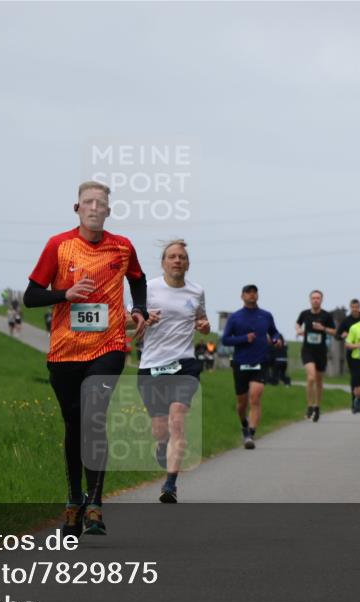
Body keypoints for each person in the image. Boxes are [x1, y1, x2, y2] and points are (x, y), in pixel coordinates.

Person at [23, 181, 147, 536]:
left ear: (108, 210)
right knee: (74, 424)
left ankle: (94, 504)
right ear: (76, 209)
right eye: (87, 202)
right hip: (65, 350)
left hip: (108, 347)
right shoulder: (58, 245)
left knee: (93, 417)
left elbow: (137, 280)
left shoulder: (123, 247)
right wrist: (66, 294)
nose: (94, 207)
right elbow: (31, 297)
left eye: (100, 203)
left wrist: (138, 309)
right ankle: (74, 498)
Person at [138, 240, 209, 503]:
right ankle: (161, 445)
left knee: (177, 420)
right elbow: (126, 321)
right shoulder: (148, 289)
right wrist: (144, 319)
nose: (177, 260)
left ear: (188, 264)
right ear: (163, 262)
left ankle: (170, 484)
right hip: (152, 365)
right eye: (172, 256)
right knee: (160, 430)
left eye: (182, 257)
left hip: (184, 364)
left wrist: (204, 326)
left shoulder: (197, 291)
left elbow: (201, 319)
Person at [221, 285, 282, 449]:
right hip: (240, 362)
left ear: (258, 296)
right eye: (248, 292)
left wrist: (276, 340)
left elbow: (274, 332)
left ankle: (250, 434)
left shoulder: (266, 315)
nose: (252, 295)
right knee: (242, 404)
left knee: (255, 397)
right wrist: (244, 338)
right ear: (242, 296)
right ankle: (244, 424)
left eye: (254, 292)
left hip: (260, 361)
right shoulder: (235, 317)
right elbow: (225, 340)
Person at [295, 290, 337, 422]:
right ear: (310, 300)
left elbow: (335, 331)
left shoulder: (326, 315)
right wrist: (299, 330)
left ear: (321, 300)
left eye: (318, 298)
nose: (315, 300)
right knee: (311, 377)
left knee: (319, 381)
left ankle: (317, 407)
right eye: (313, 298)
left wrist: (323, 328)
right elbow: (297, 324)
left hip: (321, 352)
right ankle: (309, 406)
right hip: (307, 351)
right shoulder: (304, 314)